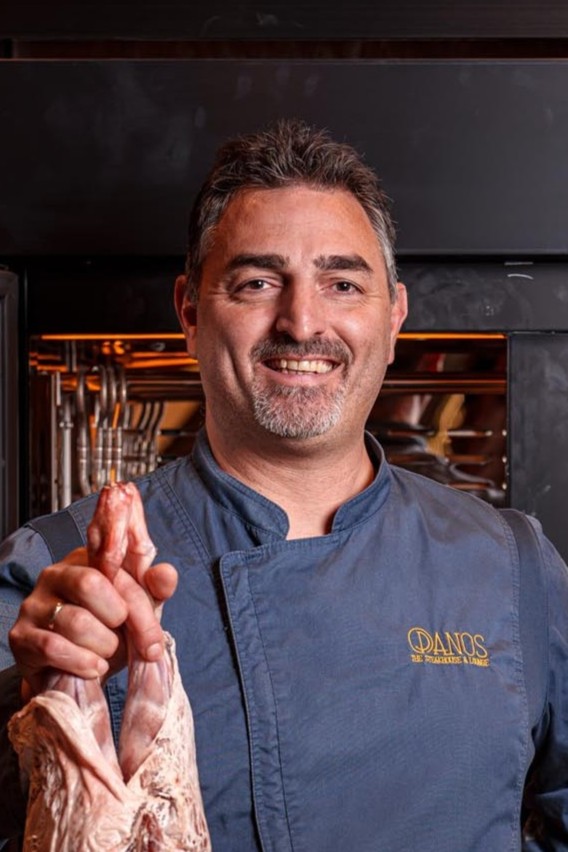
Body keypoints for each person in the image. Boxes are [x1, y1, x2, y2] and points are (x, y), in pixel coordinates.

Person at [1, 118, 567, 851]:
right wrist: (33, 703)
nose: (302, 323)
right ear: (190, 313)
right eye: (258, 283)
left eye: (342, 284)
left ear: (393, 318)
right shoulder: (55, 571)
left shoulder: (513, 564)